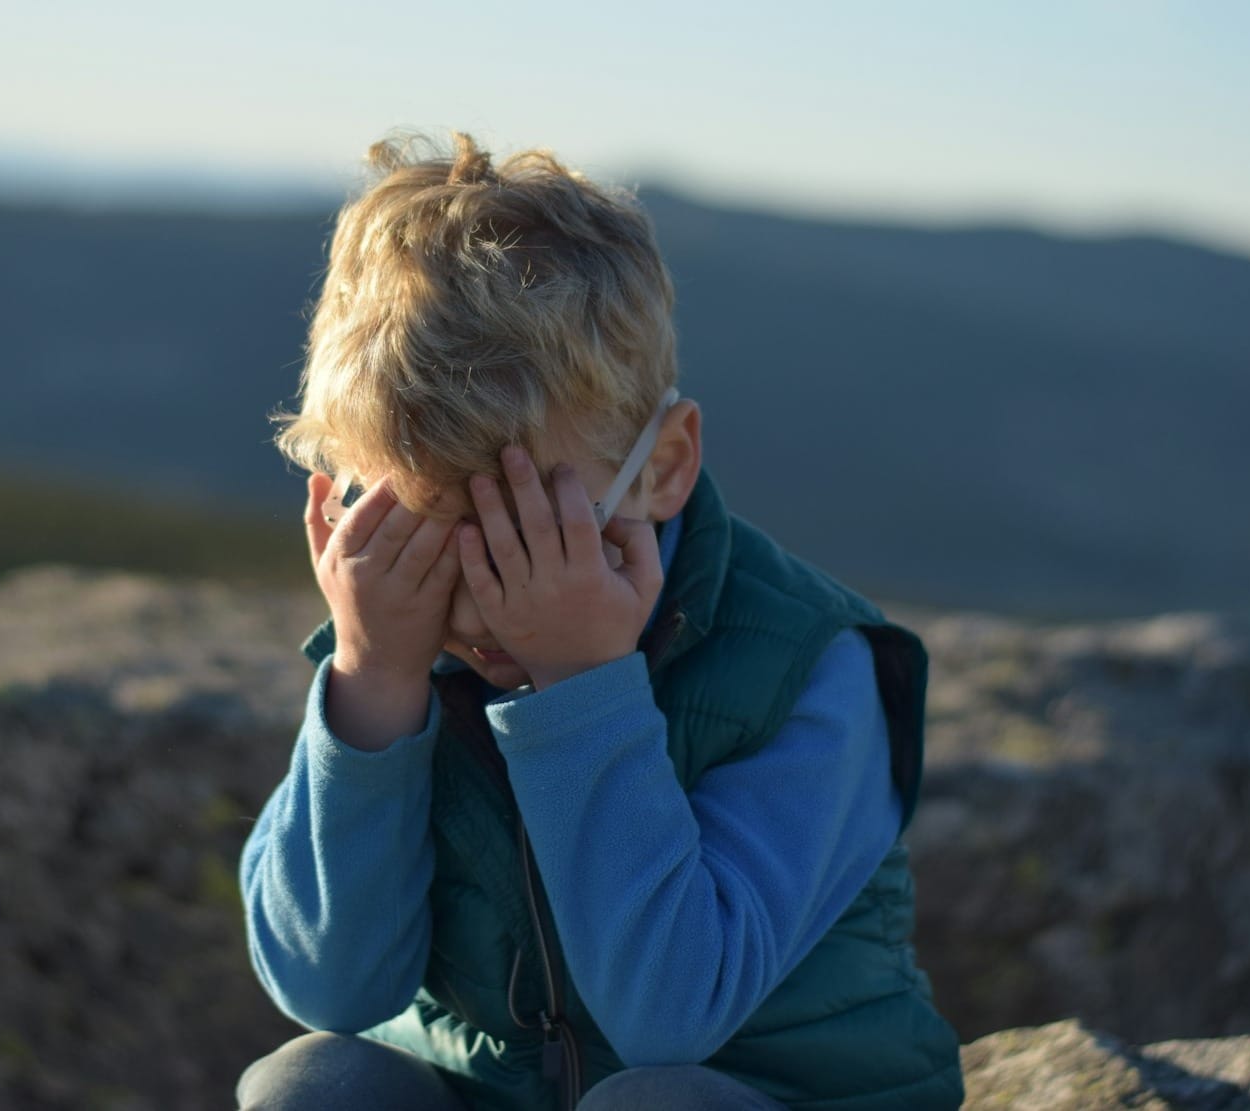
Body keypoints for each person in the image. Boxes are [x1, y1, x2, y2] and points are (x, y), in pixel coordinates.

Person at [236, 128, 964, 1111]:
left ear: (661, 466)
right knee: (312, 1084)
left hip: (755, 1096)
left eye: (529, 536)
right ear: (345, 507)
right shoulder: (399, 645)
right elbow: (330, 988)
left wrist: (580, 689)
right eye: (431, 543)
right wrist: (370, 686)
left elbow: (670, 1016)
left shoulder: (808, 670)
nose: (488, 599)